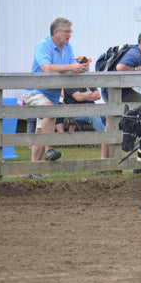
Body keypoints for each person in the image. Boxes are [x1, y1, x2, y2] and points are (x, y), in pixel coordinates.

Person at [23, 17, 89, 173]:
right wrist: (71, 67)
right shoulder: (43, 45)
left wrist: (80, 67)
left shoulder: (67, 47)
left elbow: (70, 67)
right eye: (66, 32)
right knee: (51, 112)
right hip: (35, 91)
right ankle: (49, 149)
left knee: (40, 132)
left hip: (51, 95)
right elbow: (46, 68)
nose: (69, 35)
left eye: (70, 31)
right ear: (55, 32)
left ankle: (34, 171)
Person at [63, 87, 109, 158]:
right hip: (78, 113)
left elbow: (98, 96)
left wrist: (84, 96)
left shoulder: (87, 81)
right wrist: (90, 93)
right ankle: (107, 140)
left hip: (94, 110)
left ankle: (120, 137)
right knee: (93, 117)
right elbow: (79, 97)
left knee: (110, 114)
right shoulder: (70, 84)